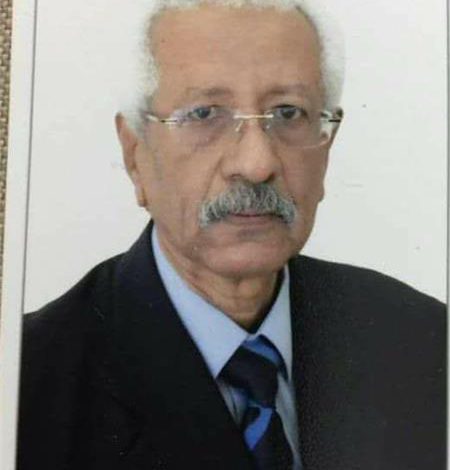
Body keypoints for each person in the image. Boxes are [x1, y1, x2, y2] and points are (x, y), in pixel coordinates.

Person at [17, 1, 445, 469]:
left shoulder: (423, 341)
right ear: (134, 153)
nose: (256, 164)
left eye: (288, 112)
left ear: (326, 145)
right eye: (205, 114)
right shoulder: (27, 384)